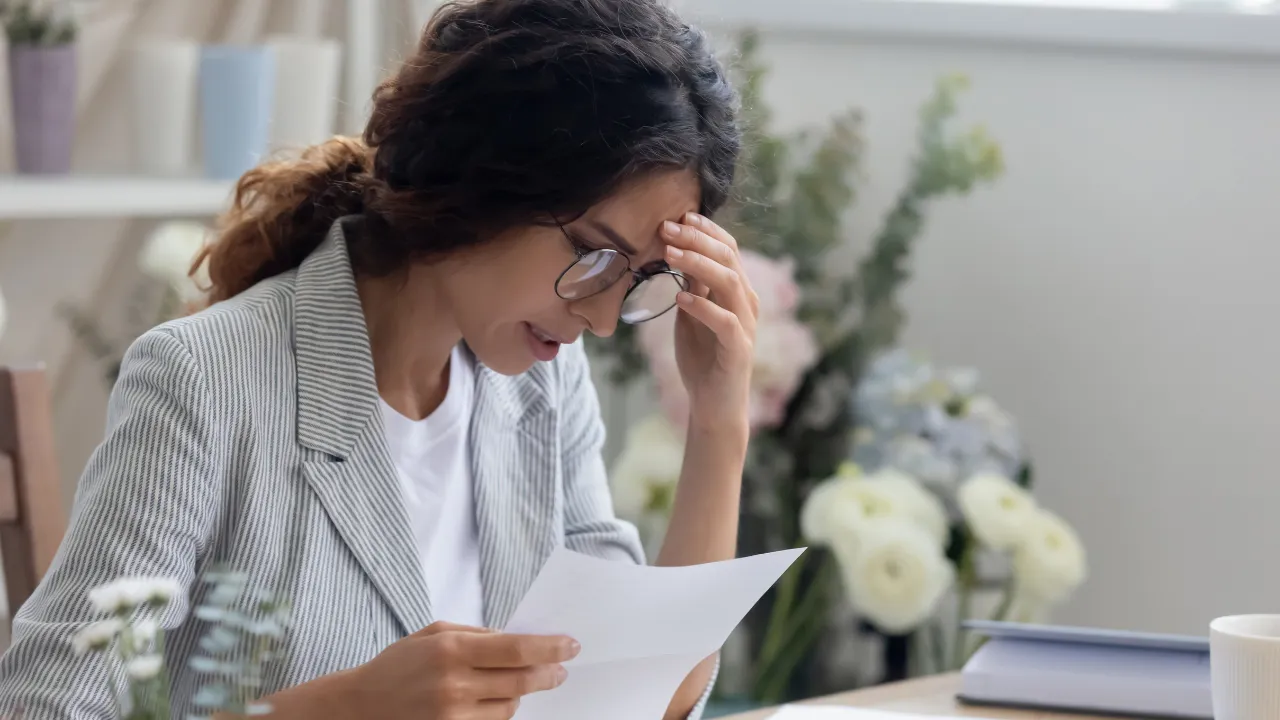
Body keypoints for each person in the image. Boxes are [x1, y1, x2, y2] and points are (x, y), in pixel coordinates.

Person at [0, 0, 757, 718]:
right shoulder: (206, 380)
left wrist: (719, 423)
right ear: (485, 171)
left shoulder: (541, 382)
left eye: (636, 280)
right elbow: (46, 706)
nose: (599, 320)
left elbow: (634, 691)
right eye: (593, 254)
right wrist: (341, 709)